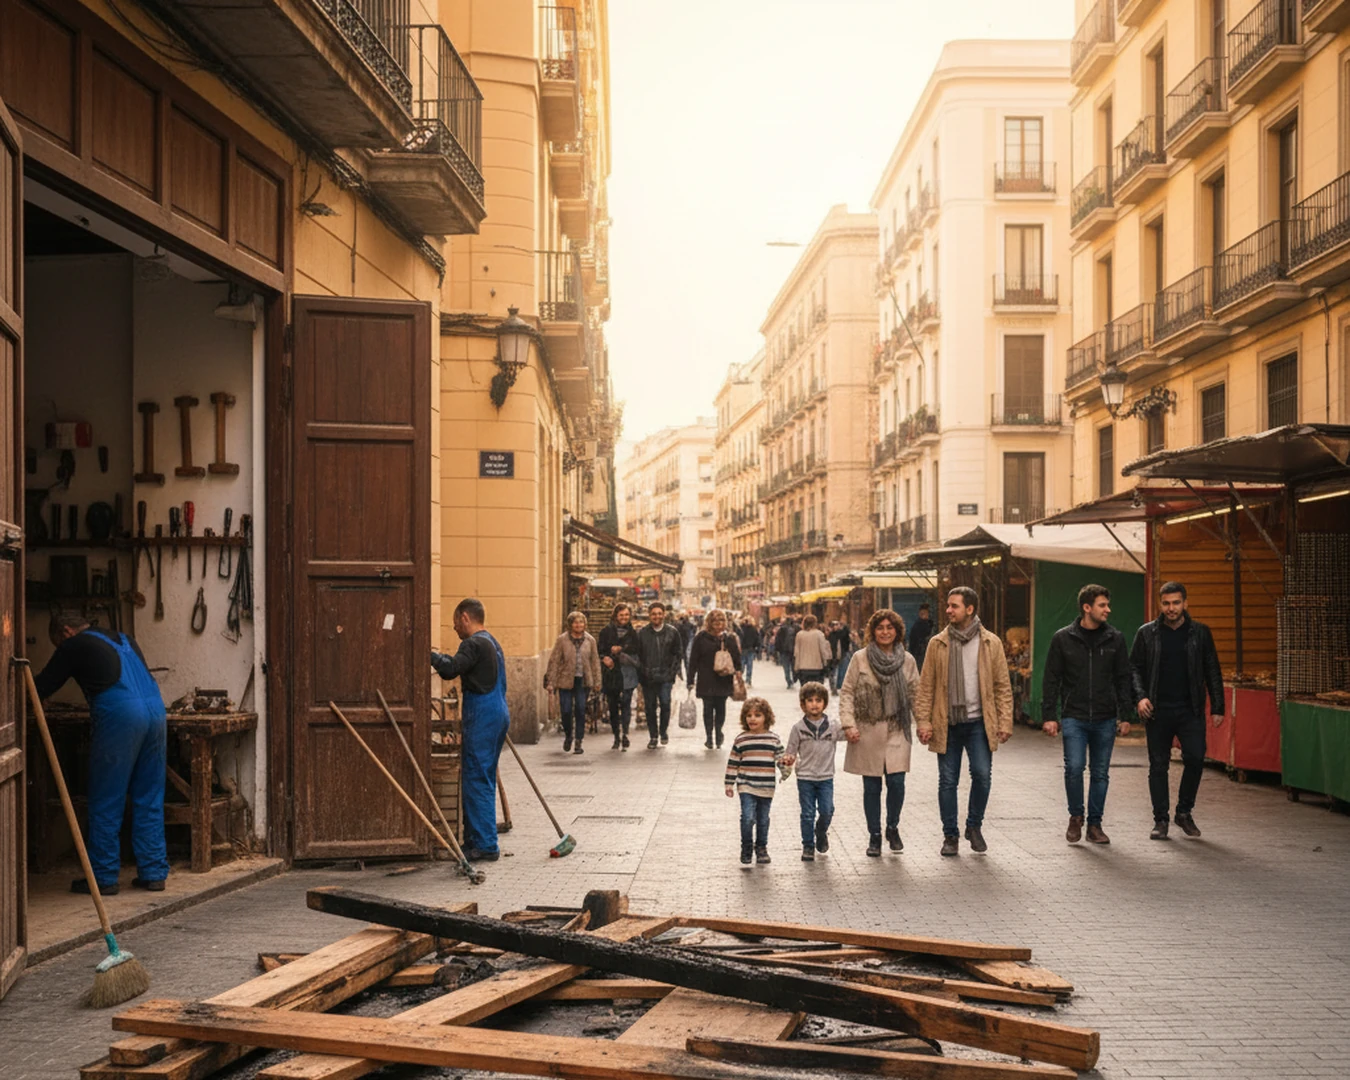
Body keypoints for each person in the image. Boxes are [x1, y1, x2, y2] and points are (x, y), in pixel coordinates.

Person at [34, 614, 168, 895]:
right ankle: (153, 872)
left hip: (122, 715)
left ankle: (104, 878)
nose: (60, 647)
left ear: (66, 631)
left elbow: (42, 686)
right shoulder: (124, 639)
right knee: (149, 794)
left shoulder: (73, 645)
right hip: (156, 711)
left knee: (107, 796)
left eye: (58, 643)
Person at [913, 588, 1014, 857]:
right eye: (948, 605)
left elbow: (1002, 685)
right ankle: (950, 835)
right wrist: (923, 721)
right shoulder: (938, 643)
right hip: (947, 723)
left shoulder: (991, 643)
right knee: (948, 781)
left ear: (970, 609)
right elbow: (926, 687)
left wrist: (1005, 721)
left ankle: (974, 826)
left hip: (979, 723)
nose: (948, 610)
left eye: (954, 606)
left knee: (982, 775)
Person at [1042, 584, 1135, 846]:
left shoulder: (1115, 639)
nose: (1108, 610)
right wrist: (1050, 716)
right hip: (1074, 716)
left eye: (1107, 605)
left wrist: (1125, 715)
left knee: (1100, 772)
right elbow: (1051, 679)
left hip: (1106, 718)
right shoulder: (1063, 638)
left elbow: (1122, 678)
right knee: (1073, 768)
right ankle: (1076, 817)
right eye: (1102, 605)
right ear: (1087, 607)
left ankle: (1095, 824)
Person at [1130, 581, 1225, 840]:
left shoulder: (1201, 633)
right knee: (1158, 766)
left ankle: (1184, 812)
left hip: (1190, 709)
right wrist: (1140, 697)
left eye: (1176, 603)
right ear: (1160, 604)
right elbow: (1135, 668)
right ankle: (1160, 820)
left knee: (1195, 758)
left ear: (1185, 603)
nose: (1171, 608)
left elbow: (1212, 670)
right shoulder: (1146, 633)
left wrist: (1218, 706)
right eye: (1166, 603)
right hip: (1157, 711)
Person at [432, 598, 511, 861]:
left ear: (465, 617)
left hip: (483, 715)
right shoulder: (492, 642)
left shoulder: (473, 643)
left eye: (455, 622)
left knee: (477, 778)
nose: (455, 628)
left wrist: (429, 654)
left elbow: (451, 668)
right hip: (496, 711)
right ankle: (476, 840)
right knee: (481, 776)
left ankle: (486, 844)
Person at [839, 609, 920, 857]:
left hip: (897, 729)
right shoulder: (860, 659)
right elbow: (847, 692)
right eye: (880, 628)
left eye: (890, 627)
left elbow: (917, 694)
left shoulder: (907, 660)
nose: (885, 632)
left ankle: (892, 827)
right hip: (867, 730)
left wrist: (925, 725)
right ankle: (874, 835)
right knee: (872, 786)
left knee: (897, 782)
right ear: (873, 631)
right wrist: (848, 724)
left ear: (897, 631)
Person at [782, 681, 847, 861]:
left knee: (827, 810)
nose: (814, 704)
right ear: (803, 704)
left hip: (826, 778)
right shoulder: (798, 729)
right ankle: (808, 846)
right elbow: (791, 750)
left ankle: (821, 831)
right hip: (805, 778)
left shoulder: (832, 726)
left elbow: (849, 733)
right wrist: (788, 759)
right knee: (807, 813)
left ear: (824, 703)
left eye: (818, 700)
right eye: (809, 700)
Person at [723, 696, 786, 865]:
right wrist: (729, 783)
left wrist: (786, 768)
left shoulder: (773, 739)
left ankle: (761, 847)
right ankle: (746, 846)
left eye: (757, 715)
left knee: (763, 818)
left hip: (766, 786)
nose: (752, 718)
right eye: (749, 715)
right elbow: (733, 762)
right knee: (748, 817)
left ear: (766, 717)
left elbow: (781, 759)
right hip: (746, 785)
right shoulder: (741, 739)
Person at [544, 612, 602, 755]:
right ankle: (569, 735)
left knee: (581, 709)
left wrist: (597, 681)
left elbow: (595, 661)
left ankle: (579, 741)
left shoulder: (590, 640)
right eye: (576, 623)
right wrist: (550, 680)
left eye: (581, 622)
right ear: (570, 625)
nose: (579, 625)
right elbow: (555, 660)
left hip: (583, 680)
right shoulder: (562, 640)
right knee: (566, 710)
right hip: (565, 680)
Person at [688, 609, 742, 749]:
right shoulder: (701, 638)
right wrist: (690, 679)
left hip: (723, 678)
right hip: (706, 678)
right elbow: (693, 659)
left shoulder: (729, 638)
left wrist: (739, 672)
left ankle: (718, 731)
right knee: (707, 708)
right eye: (715, 621)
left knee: (720, 708)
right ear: (709, 623)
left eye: (721, 621)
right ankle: (709, 736)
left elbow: (736, 657)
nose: (718, 624)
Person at [636, 601, 685, 749]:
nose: (656, 616)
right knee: (650, 707)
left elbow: (678, 653)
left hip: (665, 676)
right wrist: (642, 671)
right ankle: (653, 736)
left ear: (664, 615)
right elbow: (638, 655)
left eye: (659, 613)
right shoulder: (643, 633)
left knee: (665, 703)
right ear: (649, 616)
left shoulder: (672, 632)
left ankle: (663, 731)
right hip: (648, 676)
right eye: (653, 614)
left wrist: (672, 672)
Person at [597, 603, 641, 751]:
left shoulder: (633, 632)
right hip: (611, 672)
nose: (624, 618)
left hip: (627, 672)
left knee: (627, 703)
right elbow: (600, 649)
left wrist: (622, 648)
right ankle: (616, 735)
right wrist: (605, 658)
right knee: (613, 705)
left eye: (626, 615)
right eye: (621, 615)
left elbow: (637, 648)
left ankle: (626, 734)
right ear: (615, 616)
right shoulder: (606, 631)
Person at [793, 614, 832, 686]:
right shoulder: (819, 634)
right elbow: (823, 650)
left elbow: (797, 652)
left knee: (806, 691)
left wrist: (796, 667)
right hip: (817, 667)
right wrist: (825, 663)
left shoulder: (799, 635)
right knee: (816, 690)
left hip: (803, 667)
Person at [829, 620, 853, 690]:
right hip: (834, 655)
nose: (836, 626)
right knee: (835, 672)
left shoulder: (840, 634)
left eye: (837, 625)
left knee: (841, 671)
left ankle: (839, 685)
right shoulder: (832, 634)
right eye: (834, 625)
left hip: (841, 654)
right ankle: (835, 686)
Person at [908, 604, 934, 669]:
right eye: (922, 613)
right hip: (920, 654)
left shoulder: (929, 624)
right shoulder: (919, 625)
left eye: (925, 613)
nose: (924, 615)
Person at [737, 617, 761, 687]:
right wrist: (756, 647)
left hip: (742, 649)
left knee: (741, 665)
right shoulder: (753, 629)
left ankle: (739, 680)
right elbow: (757, 639)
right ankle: (748, 680)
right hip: (750, 649)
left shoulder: (740, 629)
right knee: (749, 665)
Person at [776, 617, 800, 688]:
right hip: (794, 651)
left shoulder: (781, 629)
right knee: (794, 666)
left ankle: (789, 681)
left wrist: (778, 650)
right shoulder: (797, 628)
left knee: (786, 668)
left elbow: (778, 640)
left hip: (784, 651)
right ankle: (794, 678)